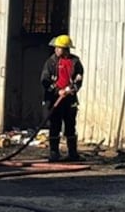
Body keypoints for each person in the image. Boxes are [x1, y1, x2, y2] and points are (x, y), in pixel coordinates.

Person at [41, 34, 84, 162]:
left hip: (70, 100)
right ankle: (54, 153)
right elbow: (44, 80)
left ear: (65, 49)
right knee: (55, 125)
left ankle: (72, 153)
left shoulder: (75, 62)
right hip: (55, 100)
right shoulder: (51, 62)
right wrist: (57, 91)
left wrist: (73, 89)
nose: (56, 50)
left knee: (71, 125)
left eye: (58, 48)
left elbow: (79, 79)